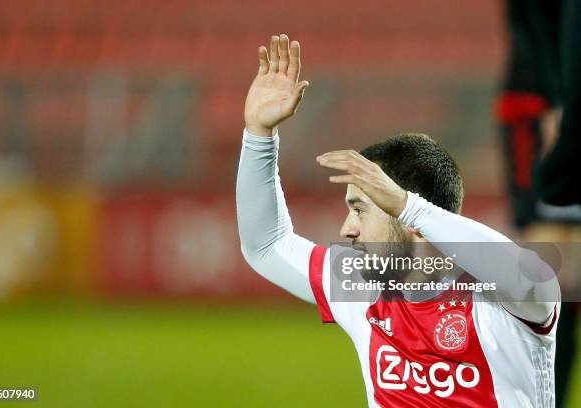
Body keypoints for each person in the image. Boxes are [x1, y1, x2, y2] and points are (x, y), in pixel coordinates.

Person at [237, 34, 560, 407]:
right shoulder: (361, 283)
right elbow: (266, 245)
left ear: (407, 215)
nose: (347, 229)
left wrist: (410, 206)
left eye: (360, 209)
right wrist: (259, 134)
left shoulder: (500, 299)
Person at [496, 2, 581, 405]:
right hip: (542, 105)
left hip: (555, 104)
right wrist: (557, 102)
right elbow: (531, 21)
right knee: (548, 275)